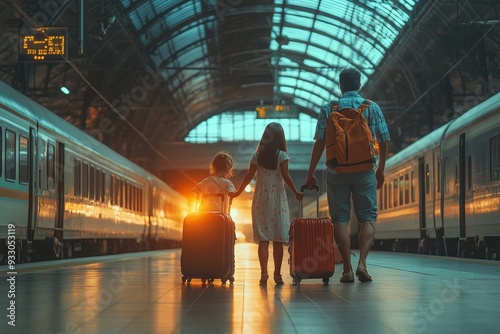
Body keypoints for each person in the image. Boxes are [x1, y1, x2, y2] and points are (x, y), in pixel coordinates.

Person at [305, 68, 390, 283]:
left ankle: (348, 270)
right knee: (368, 219)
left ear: (340, 85)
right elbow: (384, 140)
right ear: (359, 85)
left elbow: (320, 142)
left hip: (337, 171)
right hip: (364, 170)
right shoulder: (372, 107)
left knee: (340, 220)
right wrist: (381, 169)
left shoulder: (328, 108)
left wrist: (310, 173)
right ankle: (362, 263)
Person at [231, 122, 303, 286]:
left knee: (263, 238)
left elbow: (249, 176)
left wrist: (238, 192)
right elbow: (285, 176)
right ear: (281, 138)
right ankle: (277, 275)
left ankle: (264, 274)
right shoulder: (282, 155)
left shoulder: (257, 156)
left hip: (261, 197)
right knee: (278, 238)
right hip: (277, 197)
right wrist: (296, 193)